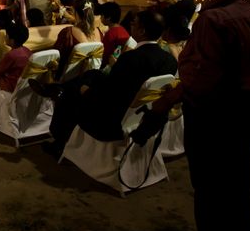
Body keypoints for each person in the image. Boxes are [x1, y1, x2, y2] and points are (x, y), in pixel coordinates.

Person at [147, 0, 250, 231]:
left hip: (214, 111)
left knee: (209, 180)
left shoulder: (212, 20)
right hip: (244, 108)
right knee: (239, 176)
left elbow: (201, 73)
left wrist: (167, 100)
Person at [35, 9, 178, 158]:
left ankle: (59, 143)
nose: (131, 25)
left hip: (111, 121)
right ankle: (59, 88)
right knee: (93, 74)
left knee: (70, 97)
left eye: (134, 24)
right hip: (143, 116)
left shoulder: (130, 59)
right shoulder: (169, 61)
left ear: (142, 31)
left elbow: (110, 95)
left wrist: (86, 91)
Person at [51, 0, 102, 70]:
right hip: (91, 76)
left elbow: (55, 57)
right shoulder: (99, 32)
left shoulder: (68, 32)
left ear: (75, 12)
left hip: (69, 78)